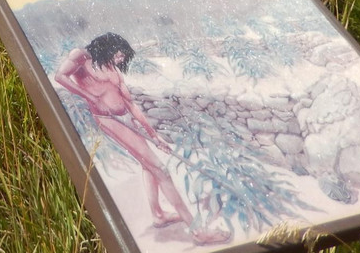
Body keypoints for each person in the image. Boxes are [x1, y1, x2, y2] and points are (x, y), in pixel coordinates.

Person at [55, 32, 230, 246]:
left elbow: (131, 104)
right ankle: (198, 232)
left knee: (148, 165)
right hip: (109, 120)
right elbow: (60, 77)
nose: (121, 60)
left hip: (126, 118)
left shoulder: (113, 70)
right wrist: (92, 98)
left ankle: (158, 214)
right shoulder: (81, 56)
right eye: (119, 55)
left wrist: (154, 135)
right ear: (108, 47)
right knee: (160, 169)